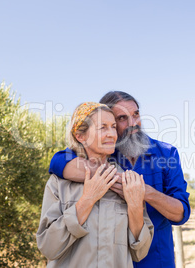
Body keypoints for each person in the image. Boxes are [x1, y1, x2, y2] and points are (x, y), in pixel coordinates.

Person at [49, 92, 191, 268]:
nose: (133, 124)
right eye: (122, 118)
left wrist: (143, 191)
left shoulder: (167, 153)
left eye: (136, 114)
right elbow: (57, 161)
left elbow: (181, 213)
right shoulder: (104, 152)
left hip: (157, 260)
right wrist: (110, 176)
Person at [37, 102, 154, 268]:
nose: (112, 134)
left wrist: (135, 206)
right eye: (103, 128)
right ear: (80, 136)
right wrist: (87, 199)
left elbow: (140, 253)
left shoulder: (128, 182)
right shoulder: (59, 183)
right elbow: (49, 248)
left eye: (113, 127)